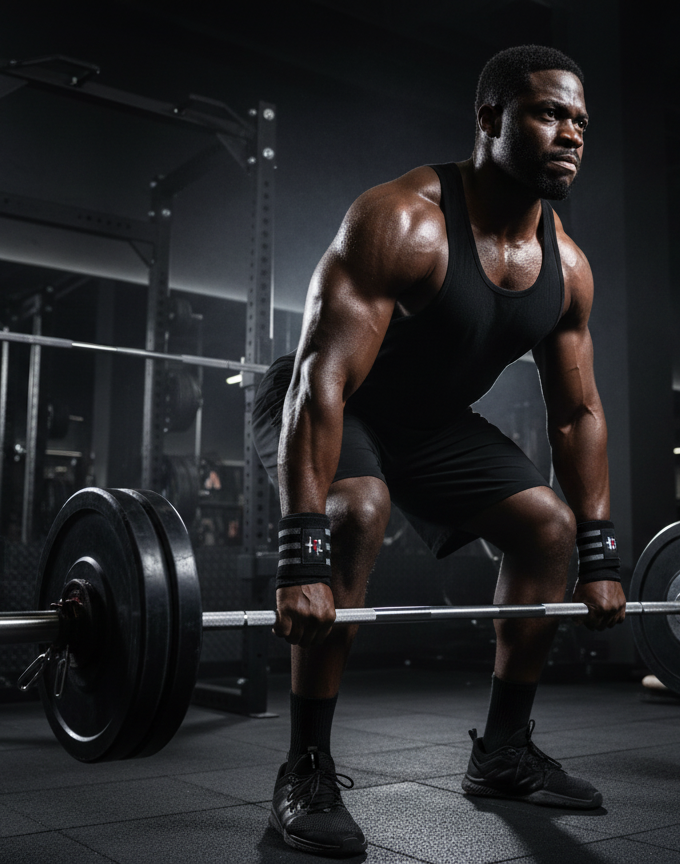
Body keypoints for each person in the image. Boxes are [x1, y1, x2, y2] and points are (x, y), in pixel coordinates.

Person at [252, 44, 626, 857]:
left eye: (580, 121)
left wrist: (600, 554)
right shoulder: (402, 219)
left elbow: (578, 413)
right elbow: (321, 382)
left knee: (549, 530)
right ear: (490, 118)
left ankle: (502, 753)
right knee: (361, 509)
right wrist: (300, 560)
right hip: (336, 405)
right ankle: (304, 769)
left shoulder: (568, 269)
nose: (571, 134)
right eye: (549, 113)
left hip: (430, 425)